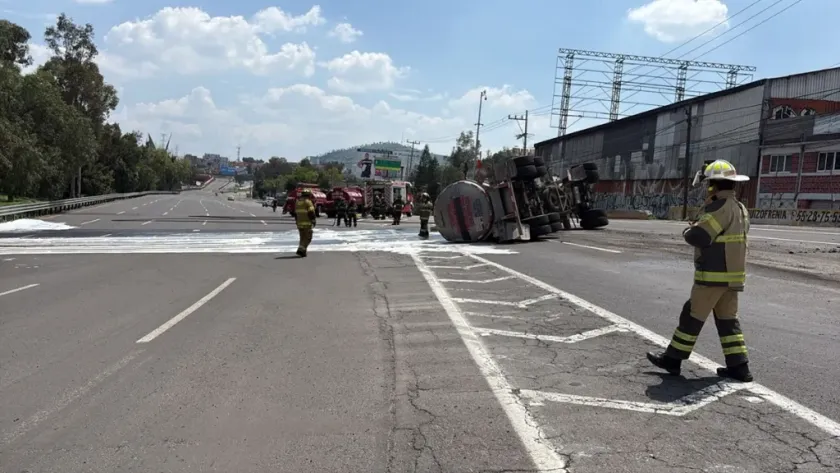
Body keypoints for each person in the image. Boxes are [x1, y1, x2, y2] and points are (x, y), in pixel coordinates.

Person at [647, 159, 753, 382]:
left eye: (709, 184)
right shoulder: (741, 208)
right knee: (728, 321)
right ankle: (739, 367)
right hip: (732, 279)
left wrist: (689, 229)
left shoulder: (719, 207)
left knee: (691, 316)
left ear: (714, 185)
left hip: (713, 277)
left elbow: (700, 236)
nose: (707, 188)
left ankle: (672, 359)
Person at [294, 189, 317, 257]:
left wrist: (297, 222)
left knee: (302, 238)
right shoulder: (308, 202)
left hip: (299, 223)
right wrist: (313, 220)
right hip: (307, 223)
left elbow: (295, 213)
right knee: (308, 238)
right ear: (308, 195)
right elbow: (311, 212)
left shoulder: (297, 202)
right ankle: (301, 249)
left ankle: (303, 252)